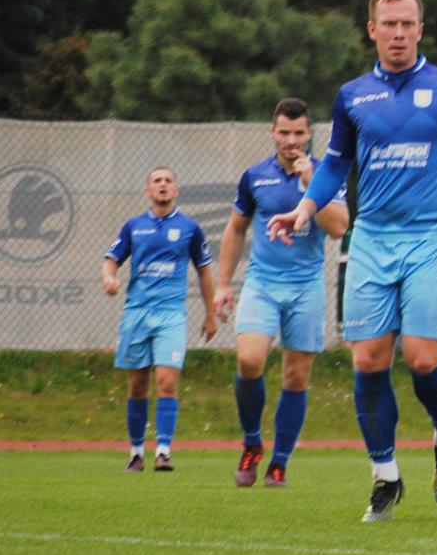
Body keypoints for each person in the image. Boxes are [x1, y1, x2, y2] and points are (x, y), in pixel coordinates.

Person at [268, 0, 437, 523]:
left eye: (407, 24)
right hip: (370, 235)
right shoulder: (352, 96)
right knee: (368, 360)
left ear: (420, 29)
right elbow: (332, 165)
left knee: (422, 360)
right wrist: (305, 210)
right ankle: (385, 478)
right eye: (388, 24)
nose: (398, 33)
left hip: (432, 234)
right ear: (372, 30)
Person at [214, 98, 350, 487]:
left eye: (299, 133)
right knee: (250, 362)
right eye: (285, 132)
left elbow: (339, 227)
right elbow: (236, 228)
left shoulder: (327, 173)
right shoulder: (254, 176)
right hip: (262, 282)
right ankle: (252, 442)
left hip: (307, 286)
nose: (292, 140)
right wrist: (223, 284)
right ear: (273, 133)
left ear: (310, 135)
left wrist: (311, 185)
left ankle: (280, 462)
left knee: (295, 378)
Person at [101, 167, 217, 472]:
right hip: (137, 312)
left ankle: (163, 451)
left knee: (167, 381)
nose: (163, 185)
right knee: (138, 386)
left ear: (176, 190)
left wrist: (210, 314)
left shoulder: (190, 227)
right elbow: (111, 260)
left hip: (171, 314)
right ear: (148, 191)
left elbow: (204, 271)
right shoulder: (133, 227)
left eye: (168, 181)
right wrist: (109, 279)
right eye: (157, 181)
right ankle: (136, 452)